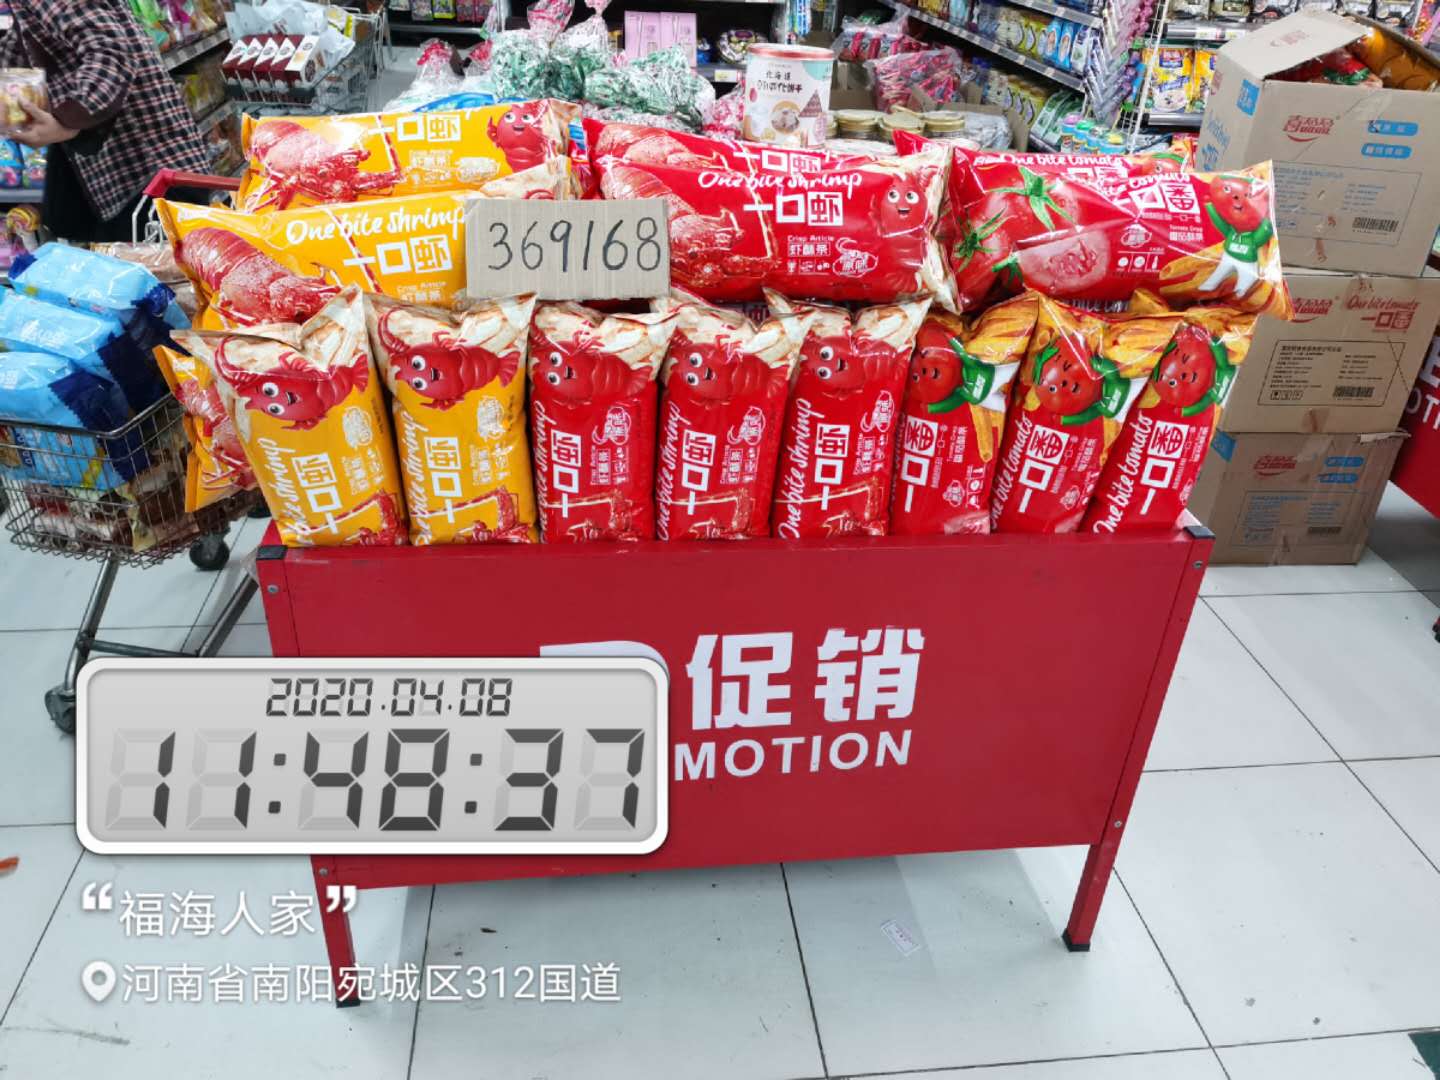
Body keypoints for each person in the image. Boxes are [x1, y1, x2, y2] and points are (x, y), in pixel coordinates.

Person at [0, 0, 215, 243]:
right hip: (115, 181)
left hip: (151, 175)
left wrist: (66, 121)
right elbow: (16, 60)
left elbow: (110, 53)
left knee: (167, 264)